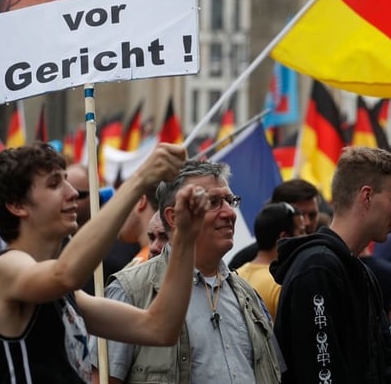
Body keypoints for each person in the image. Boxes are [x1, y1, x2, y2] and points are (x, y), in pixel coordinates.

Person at [0, 141, 204, 384]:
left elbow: (160, 328)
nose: (73, 193)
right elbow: (65, 274)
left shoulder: (67, 297)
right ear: (17, 205)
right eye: (55, 184)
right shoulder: (2, 270)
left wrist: (185, 237)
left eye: (66, 180)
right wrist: (140, 179)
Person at [271, 146, 391, 384]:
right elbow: (321, 374)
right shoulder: (317, 269)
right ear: (367, 196)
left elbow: (375, 367)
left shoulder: (362, 273)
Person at [93, 160, 282, 384]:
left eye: (230, 201)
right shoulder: (131, 292)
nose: (229, 213)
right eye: (212, 202)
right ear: (173, 217)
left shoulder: (248, 295)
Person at [228, 178, 321, 269]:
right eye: (299, 215)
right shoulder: (243, 263)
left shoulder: (325, 254)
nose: (307, 222)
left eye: (312, 215)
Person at [237, 201, 305, 320]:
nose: (306, 237)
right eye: (301, 232)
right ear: (283, 237)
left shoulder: (235, 275)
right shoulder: (281, 282)